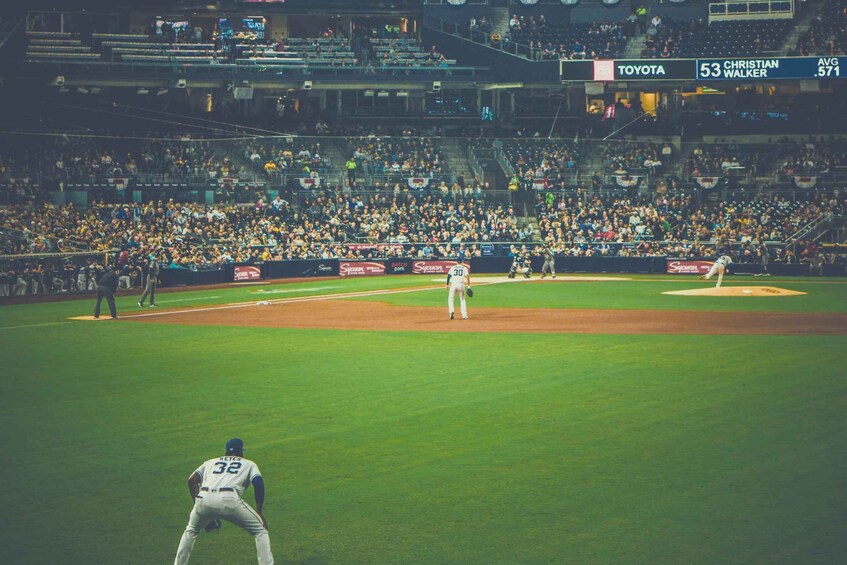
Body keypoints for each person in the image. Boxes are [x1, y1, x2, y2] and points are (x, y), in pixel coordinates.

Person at [174, 438, 274, 565]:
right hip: (229, 499)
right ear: (240, 452)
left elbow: (192, 480)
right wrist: (259, 511)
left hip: (203, 497)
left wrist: (201, 508)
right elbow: (258, 483)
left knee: (191, 531)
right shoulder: (248, 463)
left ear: (226, 451)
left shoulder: (210, 462)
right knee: (261, 531)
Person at [446, 253, 471, 320]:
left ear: (456, 262)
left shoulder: (452, 267)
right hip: (461, 285)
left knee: (450, 299)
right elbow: (467, 277)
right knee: (462, 300)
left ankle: (451, 312)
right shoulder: (464, 268)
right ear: (462, 262)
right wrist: (469, 286)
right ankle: (464, 315)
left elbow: (448, 276)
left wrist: (447, 284)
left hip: (453, 285)